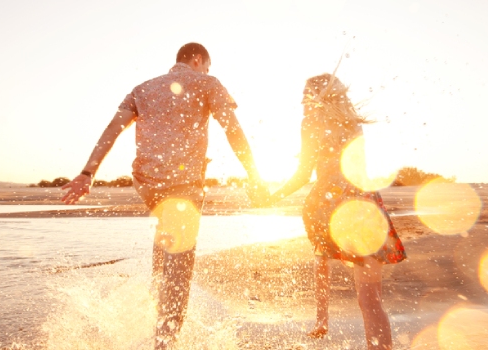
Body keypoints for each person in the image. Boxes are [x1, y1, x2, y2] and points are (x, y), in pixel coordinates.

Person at [60, 42, 267, 349]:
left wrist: (87, 173)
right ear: (198, 60)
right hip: (182, 183)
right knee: (180, 270)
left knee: (165, 244)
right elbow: (232, 130)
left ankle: (156, 314)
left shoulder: (142, 89)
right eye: (206, 67)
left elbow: (112, 129)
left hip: (147, 183)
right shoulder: (208, 83)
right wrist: (254, 176)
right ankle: (164, 343)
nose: (208, 72)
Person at [267, 73, 406, 350]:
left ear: (317, 97)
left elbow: (303, 174)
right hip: (365, 206)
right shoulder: (354, 123)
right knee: (371, 301)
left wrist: (271, 196)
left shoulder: (310, 122)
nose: (301, 100)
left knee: (322, 252)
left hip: (331, 204)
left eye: (305, 94)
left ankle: (322, 318)